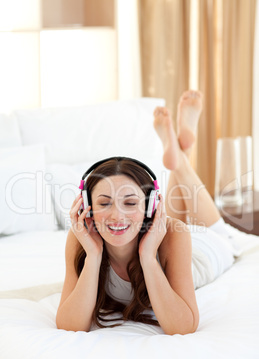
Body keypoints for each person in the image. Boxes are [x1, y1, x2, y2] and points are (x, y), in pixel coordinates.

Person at [56, 90, 238, 335]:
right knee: (169, 221)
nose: (117, 216)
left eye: (130, 203)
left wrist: (149, 256)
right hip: (159, 232)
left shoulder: (175, 234)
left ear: (150, 206)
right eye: (104, 203)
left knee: (214, 232)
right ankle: (182, 149)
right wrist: (93, 255)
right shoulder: (81, 239)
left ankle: (183, 155)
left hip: (206, 249)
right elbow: (69, 326)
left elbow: (183, 327)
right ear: (86, 205)